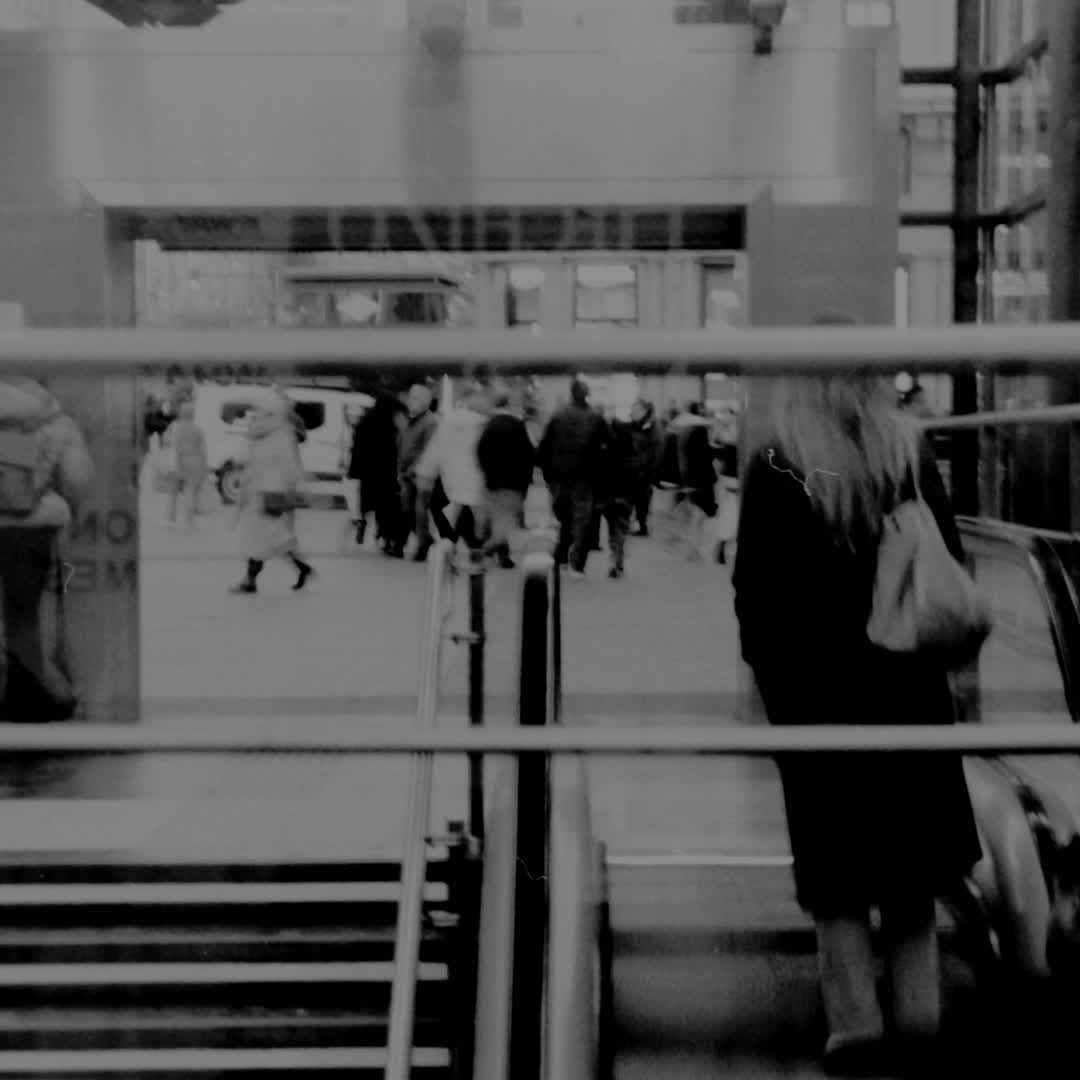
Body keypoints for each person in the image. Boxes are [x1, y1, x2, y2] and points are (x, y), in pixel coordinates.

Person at [731, 338, 981, 1075]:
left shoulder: (779, 460)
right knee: (910, 865)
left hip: (816, 694)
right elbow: (946, 563)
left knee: (836, 869)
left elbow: (755, 591)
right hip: (904, 686)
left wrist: (773, 680)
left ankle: (854, 1025)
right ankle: (920, 1013)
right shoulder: (906, 454)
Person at [0, 376, 93, 722]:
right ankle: (26, 703)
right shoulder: (53, 420)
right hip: (33, 528)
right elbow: (77, 478)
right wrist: (71, 509)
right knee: (23, 619)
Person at [229, 391, 315, 594]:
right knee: (273, 538)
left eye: (262, 411)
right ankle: (301, 567)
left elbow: (288, 466)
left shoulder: (274, 434)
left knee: (263, 539)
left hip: (269, 495)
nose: (258, 415)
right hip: (264, 493)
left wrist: (296, 488)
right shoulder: (274, 432)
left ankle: (250, 581)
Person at [537, 378, 607, 579]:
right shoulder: (595, 417)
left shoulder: (558, 416)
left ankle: (561, 557)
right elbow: (608, 448)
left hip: (559, 479)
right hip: (585, 479)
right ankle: (576, 564)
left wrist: (548, 475)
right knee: (582, 521)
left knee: (564, 518)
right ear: (586, 395)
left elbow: (544, 448)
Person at [415, 383, 491, 556]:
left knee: (453, 513)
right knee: (472, 518)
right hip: (478, 482)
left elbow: (435, 449)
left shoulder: (449, 422)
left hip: (452, 480)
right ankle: (474, 548)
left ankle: (449, 548)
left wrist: (426, 472)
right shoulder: (486, 425)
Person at [476, 390, 535, 569]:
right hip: (512, 483)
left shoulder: (488, 425)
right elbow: (527, 455)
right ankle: (485, 552)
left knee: (495, 519)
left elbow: (480, 452)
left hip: (492, 482)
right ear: (508, 404)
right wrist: (526, 480)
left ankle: (501, 555)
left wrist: (487, 473)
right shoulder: (517, 425)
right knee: (506, 522)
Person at [395, 384, 439, 560]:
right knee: (408, 510)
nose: (411, 401)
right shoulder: (410, 421)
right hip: (407, 475)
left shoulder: (430, 422)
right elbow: (403, 445)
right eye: (411, 397)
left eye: (415, 398)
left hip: (422, 476)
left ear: (425, 402)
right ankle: (425, 540)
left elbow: (427, 450)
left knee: (420, 511)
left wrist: (412, 470)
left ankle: (422, 546)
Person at [161, 400, 208, 528]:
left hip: (177, 462)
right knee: (190, 492)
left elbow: (165, 442)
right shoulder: (198, 429)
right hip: (194, 462)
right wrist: (205, 468)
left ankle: (169, 519)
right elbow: (203, 450)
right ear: (193, 414)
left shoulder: (174, 427)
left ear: (181, 413)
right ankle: (189, 521)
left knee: (173, 492)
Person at [627, 399, 662, 536]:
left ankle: (641, 525)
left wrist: (653, 471)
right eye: (632, 410)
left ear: (644, 411)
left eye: (636, 410)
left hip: (644, 470)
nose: (632, 412)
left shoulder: (652, 426)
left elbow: (656, 449)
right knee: (635, 498)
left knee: (642, 499)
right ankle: (638, 524)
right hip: (634, 468)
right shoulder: (636, 425)